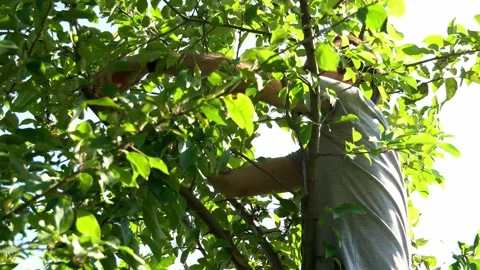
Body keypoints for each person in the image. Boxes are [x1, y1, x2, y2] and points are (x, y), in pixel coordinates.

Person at [95, 36, 410, 269]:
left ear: (351, 74)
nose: (306, 66)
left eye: (320, 61)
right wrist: (136, 134)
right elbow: (231, 184)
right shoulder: (323, 155)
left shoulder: (350, 100)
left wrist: (148, 62)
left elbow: (244, 76)